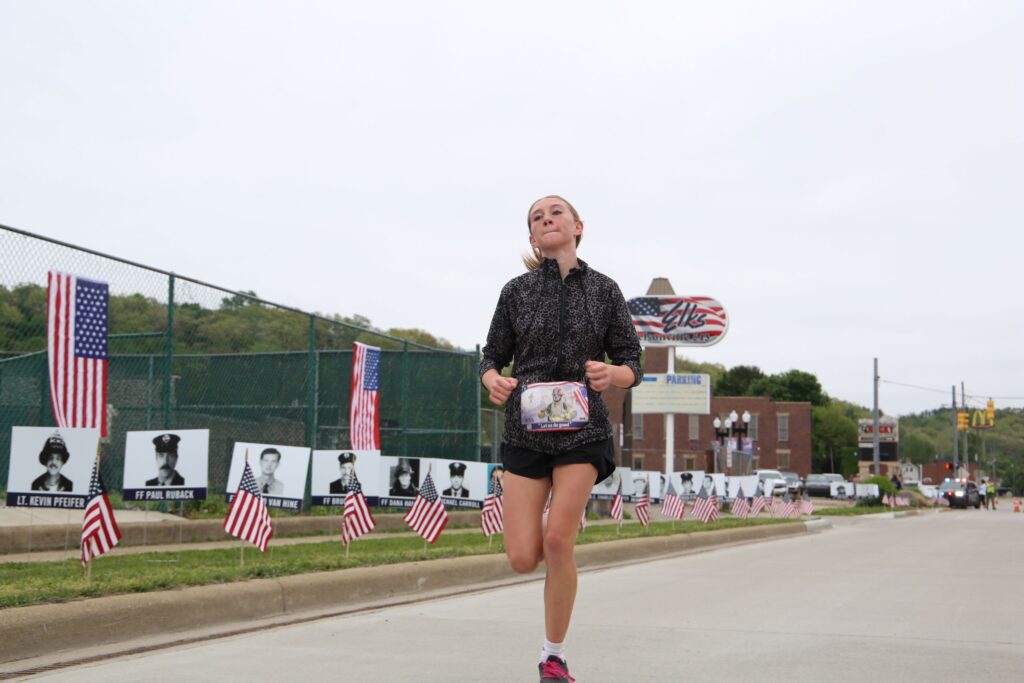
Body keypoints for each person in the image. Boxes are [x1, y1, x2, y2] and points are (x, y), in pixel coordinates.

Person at [481, 195, 642, 682]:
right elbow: (491, 357)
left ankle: (553, 656)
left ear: (577, 226)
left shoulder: (605, 289)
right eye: (537, 217)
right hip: (526, 433)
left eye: (555, 212)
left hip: (582, 432)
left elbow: (634, 362)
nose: (547, 218)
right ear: (532, 237)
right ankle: (550, 517)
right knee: (521, 558)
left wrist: (612, 374)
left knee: (557, 541)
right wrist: (493, 381)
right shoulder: (516, 291)